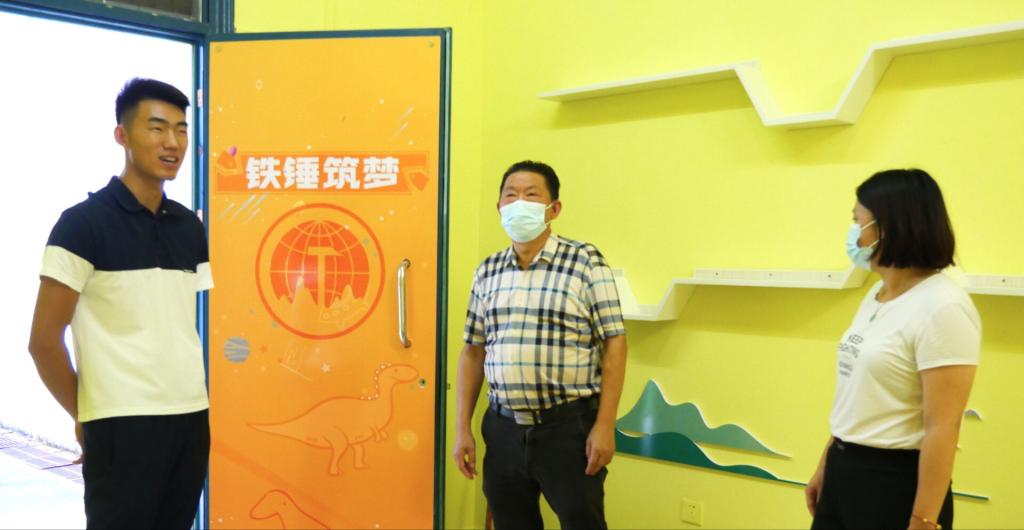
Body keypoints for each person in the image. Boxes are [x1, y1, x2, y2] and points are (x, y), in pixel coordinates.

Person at [27, 78, 213, 529]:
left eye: (181, 130)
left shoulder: (189, 227)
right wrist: (85, 415)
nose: (172, 142)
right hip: (120, 424)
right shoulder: (81, 225)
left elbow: (175, 324)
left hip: (190, 417)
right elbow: (43, 342)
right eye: (157, 127)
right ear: (122, 135)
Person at [452, 160, 628, 530]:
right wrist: (462, 428)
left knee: (582, 523)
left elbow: (614, 342)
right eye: (511, 195)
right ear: (499, 207)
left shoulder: (584, 261)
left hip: (568, 429)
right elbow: (473, 351)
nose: (519, 203)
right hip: (502, 428)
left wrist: (605, 425)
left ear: (554, 208)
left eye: (531, 195)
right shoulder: (487, 271)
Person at [806, 169, 980, 530]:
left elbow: (942, 428)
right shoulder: (877, 294)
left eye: (858, 221)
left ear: (889, 227)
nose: (854, 232)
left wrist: (924, 520)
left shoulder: (943, 306)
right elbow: (859, 396)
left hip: (893, 483)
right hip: (844, 467)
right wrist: (827, 463)